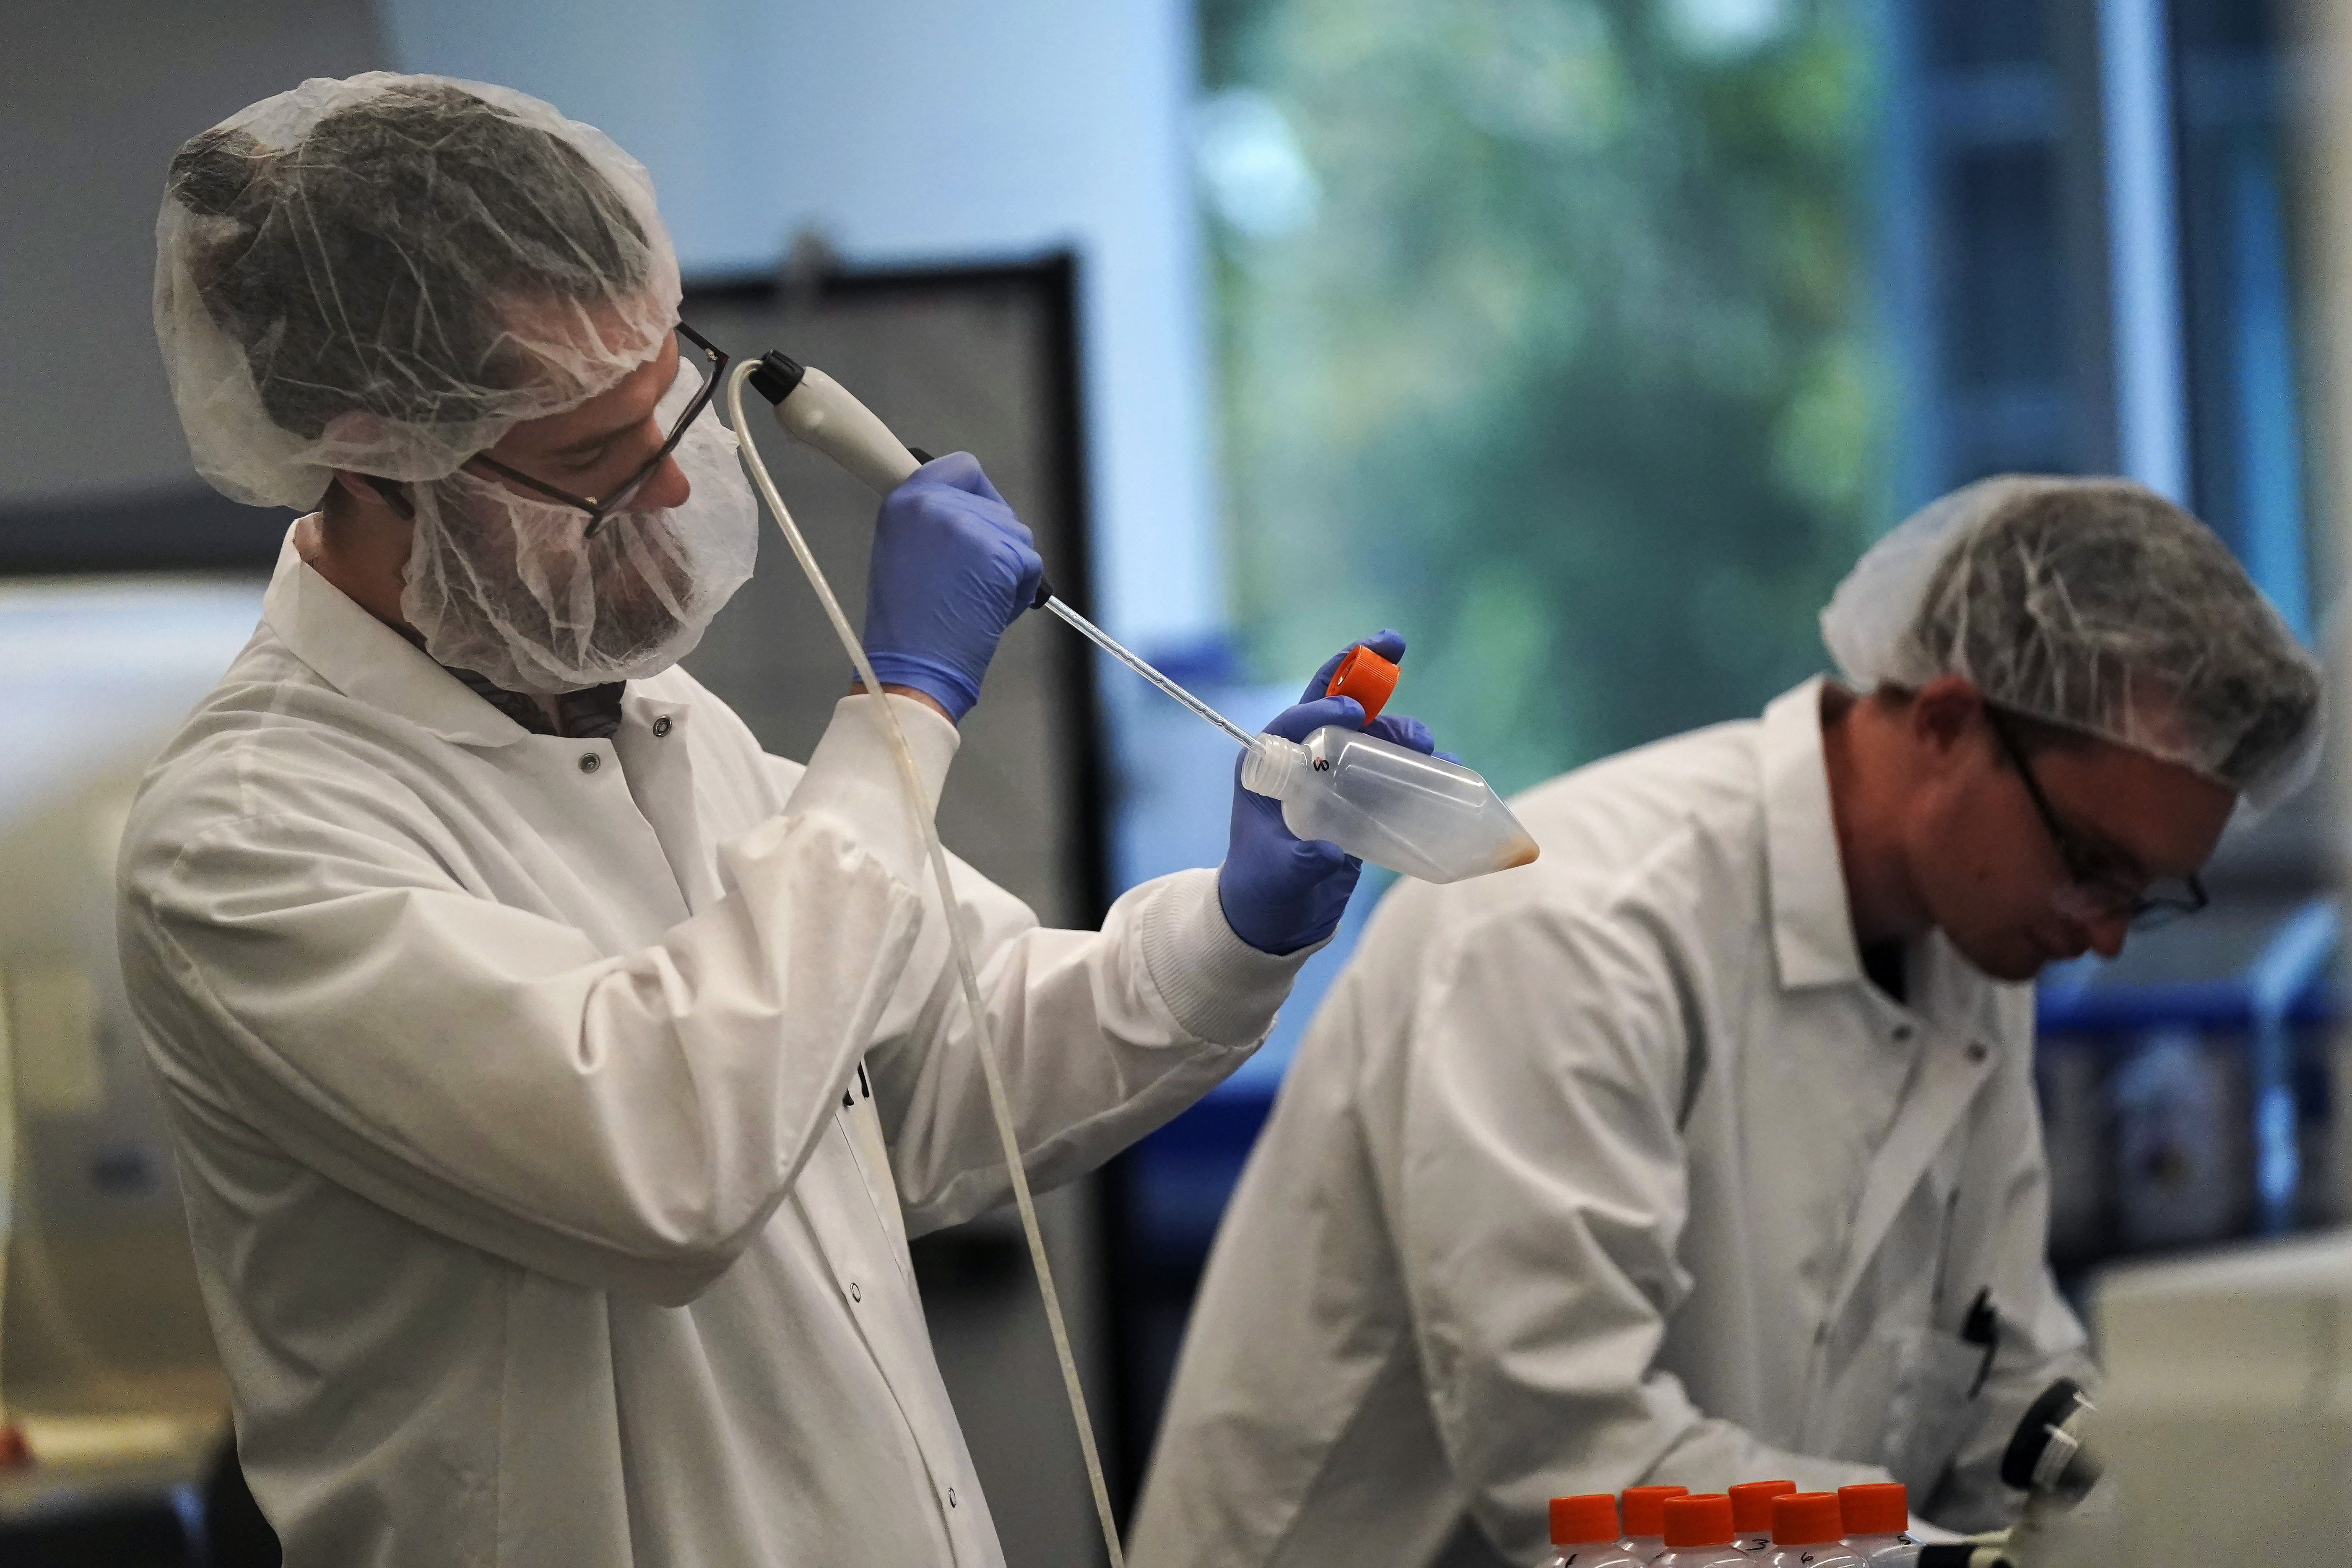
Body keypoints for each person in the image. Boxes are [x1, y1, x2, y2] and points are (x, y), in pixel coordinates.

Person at [119, 73, 1437, 1568]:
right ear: (371, 456)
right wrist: (904, 715)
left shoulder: (664, 721)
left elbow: (951, 1082)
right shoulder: (248, 838)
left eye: (664, 409)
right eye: (591, 461)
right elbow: (669, 1160)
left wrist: (1229, 932)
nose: (674, 483)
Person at [1129, 476, 2323, 1568]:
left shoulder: (1968, 945)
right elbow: (1585, 1473)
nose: (2104, 932)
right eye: (2089, 864)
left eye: (2145, 894)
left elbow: (2002, 1376)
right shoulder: (1574, 926)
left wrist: (2185, 1496)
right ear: (1950, 722)